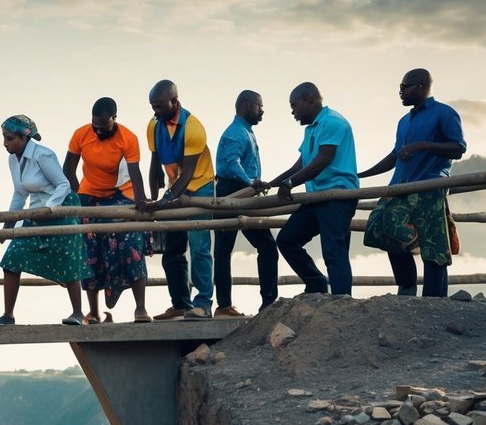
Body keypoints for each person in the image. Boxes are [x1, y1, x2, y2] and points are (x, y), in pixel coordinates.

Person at [358, 69, 466, 298]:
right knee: (381, 226)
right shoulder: (403, 121)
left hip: (430, 184)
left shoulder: (444, 113)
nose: (400, 91)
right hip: (400, 186)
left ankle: (434, 299)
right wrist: (361, 174)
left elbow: (458, 148)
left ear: (420, 86)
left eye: (404, 86)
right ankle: (407, 286)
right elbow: (395, 155)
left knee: (433, 242)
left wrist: (422, 146)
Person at [0, 115, 90, 325]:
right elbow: (19, 194)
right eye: (4, 138)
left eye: (9, 138)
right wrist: (5, 230)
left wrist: (50, 208)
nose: (5, 143)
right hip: (35, 213)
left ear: (23, 138)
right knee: (12, 258)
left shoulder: (42, 155)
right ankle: (8, 315)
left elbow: (63, 184)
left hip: (61, 208)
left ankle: (78, 313)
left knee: (67, 258)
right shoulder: (13, 160)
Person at [263, 83, 359, 295]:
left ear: (309, 99)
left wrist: (290, 183)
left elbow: (324, 159)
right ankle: (316, 284)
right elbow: (301, 165)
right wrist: (272, 184)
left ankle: (342, 301)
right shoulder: (312, 128)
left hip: (337, 196)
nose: (293, 112)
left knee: (334, 251)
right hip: (316, 198)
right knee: (287, 240)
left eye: (294, 105)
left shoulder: (333, 122)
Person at [63, 97, 152, 323]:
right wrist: (77, 198)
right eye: (95, 125)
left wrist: (141, 201)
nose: (99, 130)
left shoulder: (127, 138)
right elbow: (68, 169)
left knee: (131, 237)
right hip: (89, 192)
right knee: (87, 243)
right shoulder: (81, 134)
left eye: (104, 126)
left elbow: (135, 172)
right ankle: (93, 311)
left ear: (114, 119)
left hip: (120, 194)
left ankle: (140, 307)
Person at [144, 80, 215, 321]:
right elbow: (154, 164)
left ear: (175, 101)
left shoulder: (193, 127)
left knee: (199, 246)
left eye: (160, 106)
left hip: (199, 188)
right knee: (172, 250)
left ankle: (203, 302)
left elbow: (188, 173)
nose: (156, 111)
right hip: (174, 190)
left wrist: (167, 199)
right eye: (153, 107)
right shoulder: (154, 126)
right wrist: (152, 198)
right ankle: (181, 304)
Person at [211, 90, 278, 315]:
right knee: (223, 250)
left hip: (244, 191)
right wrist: (250, 182)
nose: (262, 112)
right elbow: (230, 163)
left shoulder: (245, 131)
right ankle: (224, 305)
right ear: (247, 106)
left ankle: (268, 302)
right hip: (233, 191)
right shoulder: (235, 133)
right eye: (260, 107)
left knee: (266, 246)